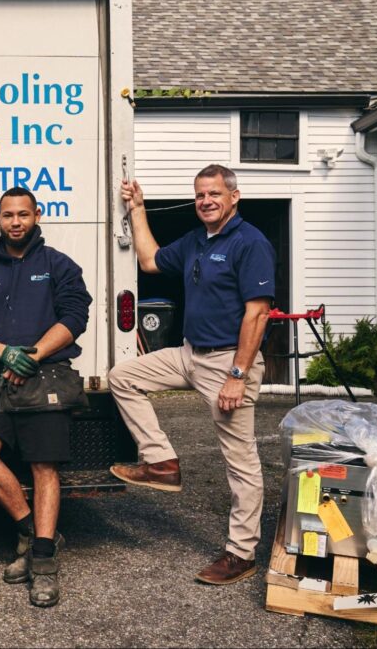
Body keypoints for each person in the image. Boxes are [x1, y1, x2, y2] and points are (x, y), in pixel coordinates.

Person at [109, 163, 274, 585]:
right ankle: (161, 462)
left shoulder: (249, 243)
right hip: (189, 354)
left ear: (233, 197)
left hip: (227, 363)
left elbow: (257, 313)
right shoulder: (196, 240)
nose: (206, 201)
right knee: (123, 377)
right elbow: (148, 260)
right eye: (200, 194)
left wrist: (237, 375)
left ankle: (241, 553)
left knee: (240, 463)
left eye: (214, 194)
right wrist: (138, 208)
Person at [0, 187, 92, 608]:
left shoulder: (58, 265)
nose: (15, 222)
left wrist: (32, 356)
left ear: (37, 215)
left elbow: (75, 316)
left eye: (23, 214)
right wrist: (6, 355)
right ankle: (31, 532)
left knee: (43, 465)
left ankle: (45, 564)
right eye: (8, 215)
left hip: (47, 372)